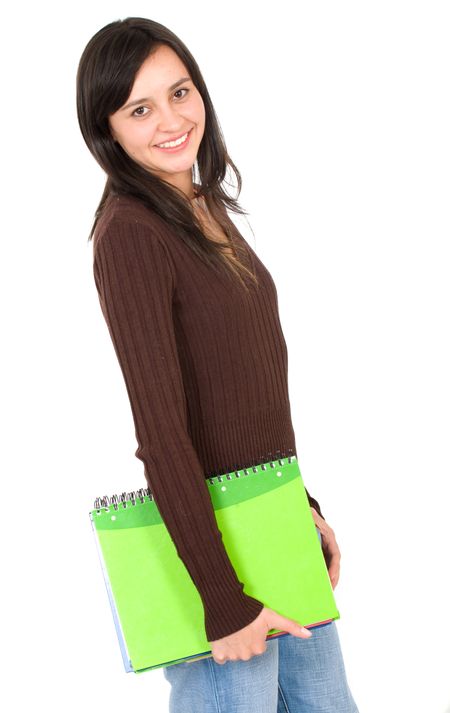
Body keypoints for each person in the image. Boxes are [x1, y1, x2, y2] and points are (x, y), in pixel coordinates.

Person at [76, 16, 359, 713]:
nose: (171, 119)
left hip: (275, 534)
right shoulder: (131, 235)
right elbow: (163, 433)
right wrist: (221, 600)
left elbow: (247, 386)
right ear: (108, 129)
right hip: (219, 567)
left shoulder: (200, 207)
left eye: (181, 92)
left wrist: (301, 507)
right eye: (140, 108)